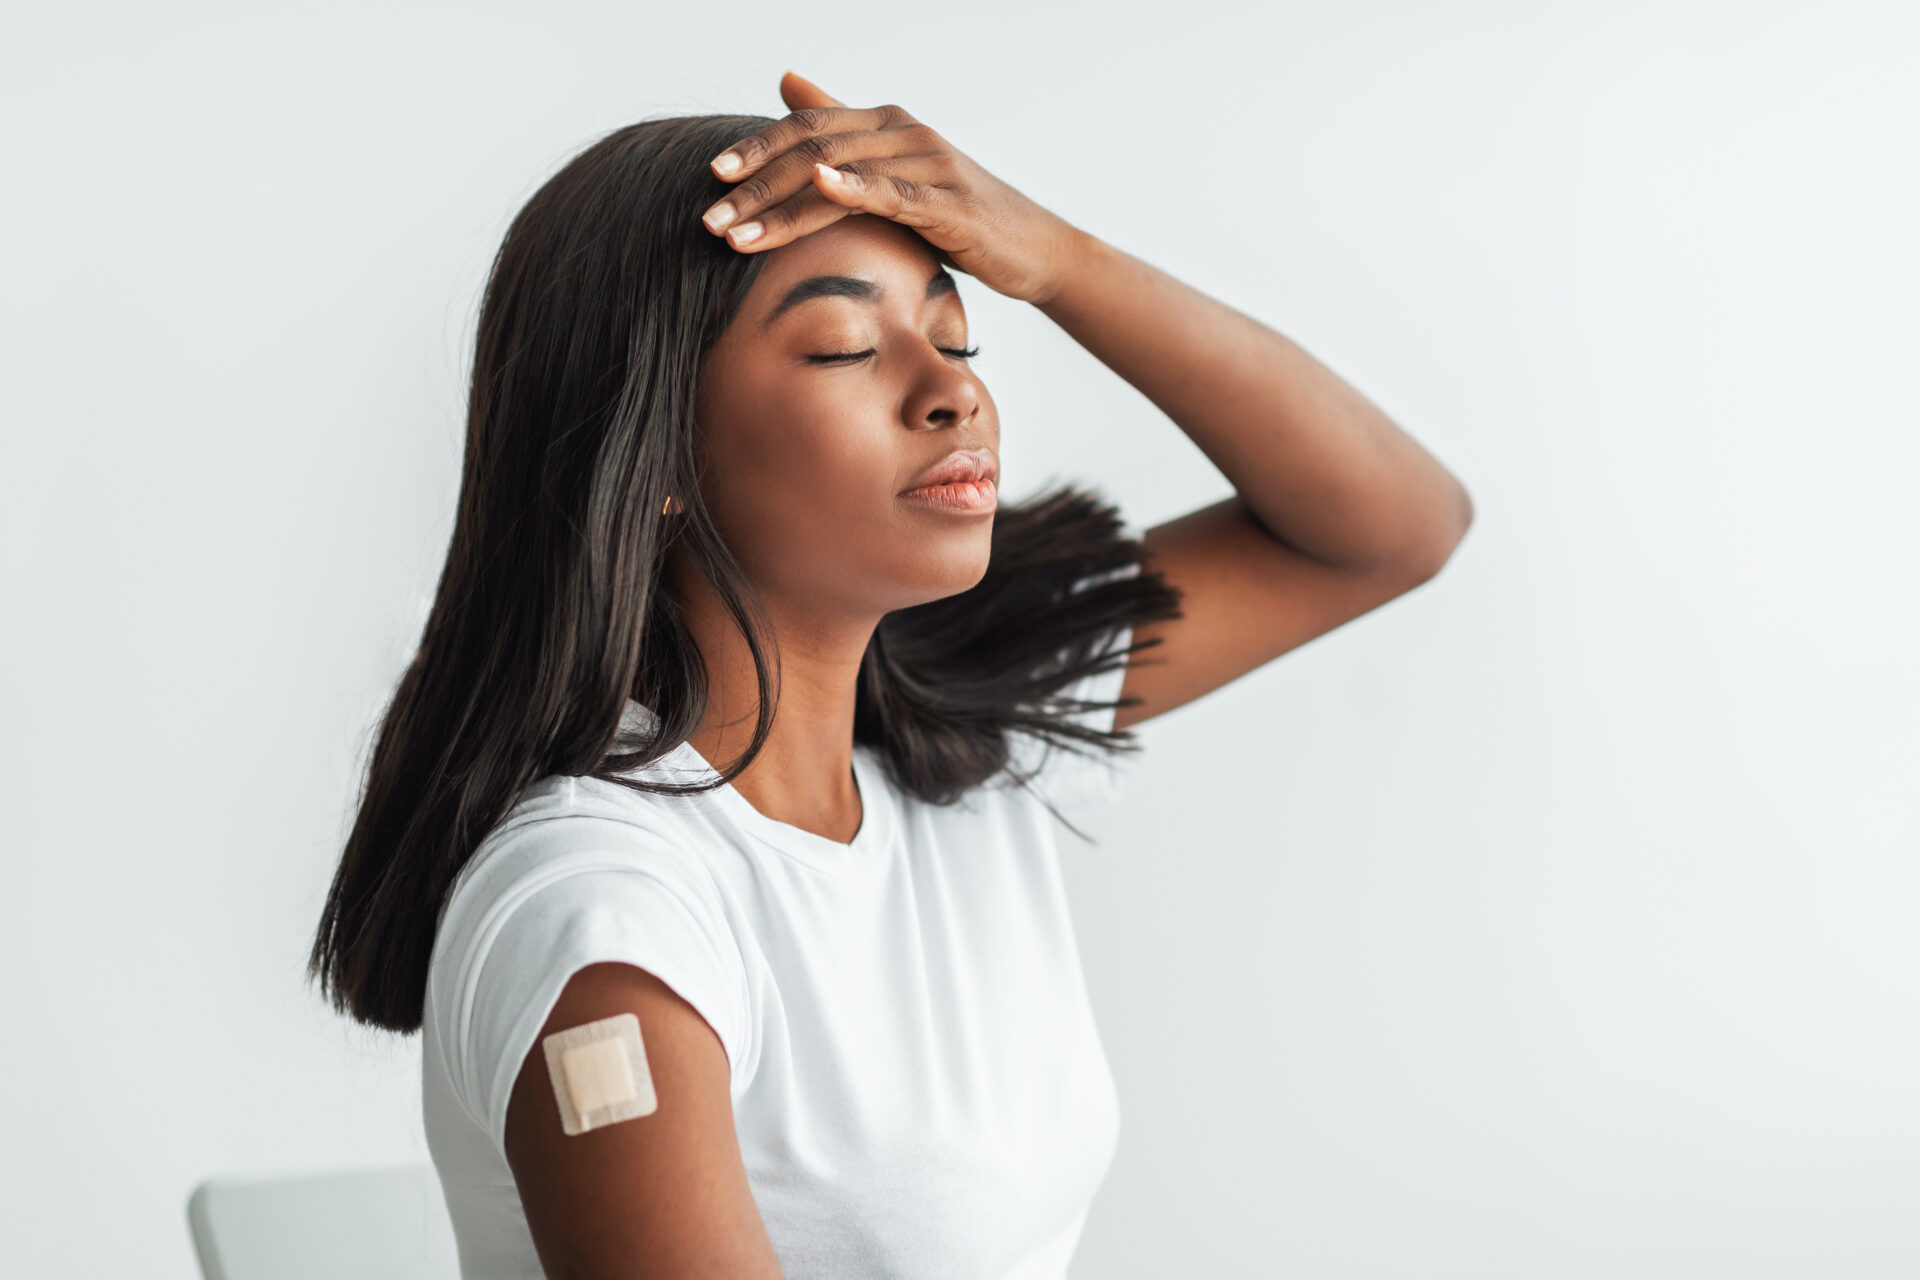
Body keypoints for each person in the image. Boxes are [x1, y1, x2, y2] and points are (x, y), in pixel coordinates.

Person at [308, 70, 1472, 1280]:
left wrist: (1057, 260)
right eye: (846, 347)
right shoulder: (605, 914)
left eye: (957, 335)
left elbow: (1396, 526)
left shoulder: (962, 712)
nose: (954, 388)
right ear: (654, 452)